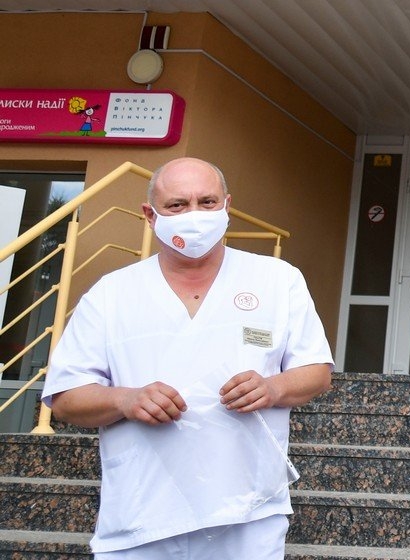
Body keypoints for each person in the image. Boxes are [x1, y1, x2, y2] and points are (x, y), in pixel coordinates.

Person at [42, 157, 334, 559]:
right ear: (150, 215)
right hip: (143, 516)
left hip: (248, 512)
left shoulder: (278, 279)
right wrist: (125, 399)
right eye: (177, 205)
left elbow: (317, 371)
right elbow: (65, 397)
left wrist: (273, 387)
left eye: (207, 202)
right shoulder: (112, 294)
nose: (194, 215)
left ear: (227, 206)